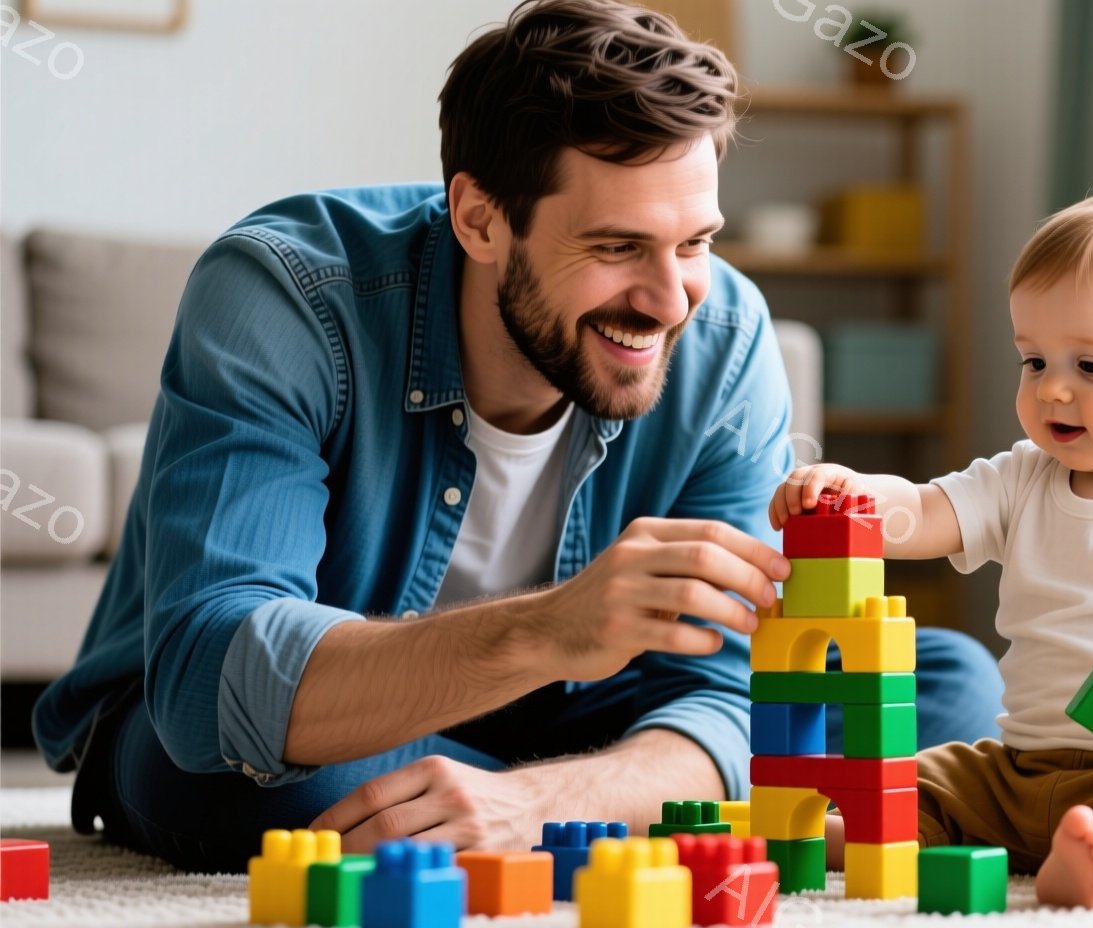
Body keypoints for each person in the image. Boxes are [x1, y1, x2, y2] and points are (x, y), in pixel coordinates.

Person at [31, 0, 1001, 874]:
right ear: (478, 218)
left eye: (696, 243)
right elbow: (215, 676)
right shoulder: (287, 294)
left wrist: (541, 800)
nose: (670, 301)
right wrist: (554, 629)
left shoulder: (726, 334)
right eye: (616, 247)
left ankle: (519, 807)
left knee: (942, 688)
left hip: (583, 720)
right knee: (239, 769)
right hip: (330, 717)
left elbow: (724, 683)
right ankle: (656, 810)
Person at [772, 183, 1093, 908]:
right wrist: (854, 495)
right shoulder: (1022, 479)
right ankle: (850, 827)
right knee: (931, 774)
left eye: (1090, 367)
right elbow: (928, 513)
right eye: (1034, 362)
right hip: (1023, 770)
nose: (1053, 390)